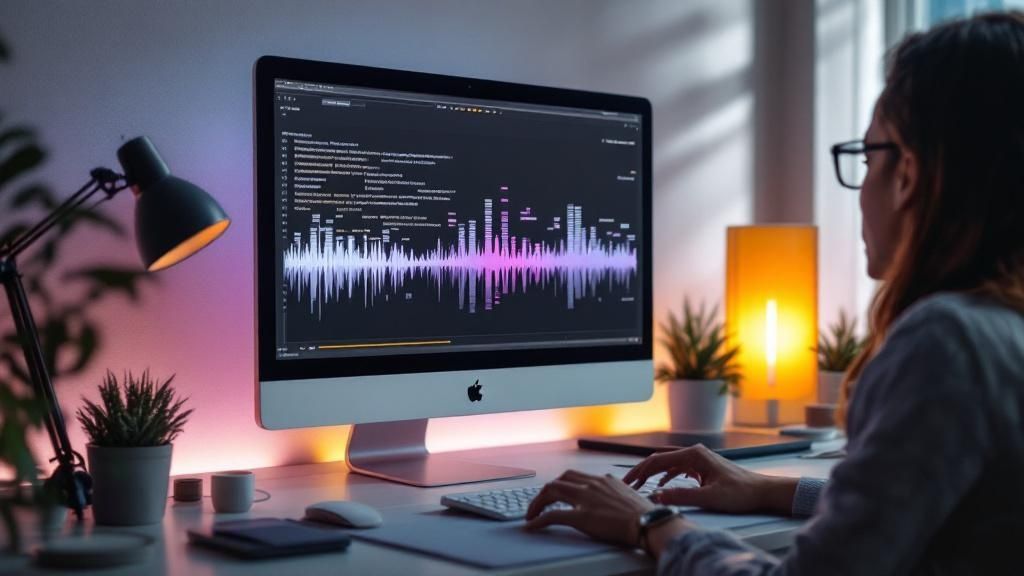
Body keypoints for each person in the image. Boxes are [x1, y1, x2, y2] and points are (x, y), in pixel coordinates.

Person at [524, 11, 1024, 575]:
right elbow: (912, 506)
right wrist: (768, 489)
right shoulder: (1003, 331)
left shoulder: (948, 344)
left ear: (907, 174)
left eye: (866, 158)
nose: (861, 189)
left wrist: (649, 523)